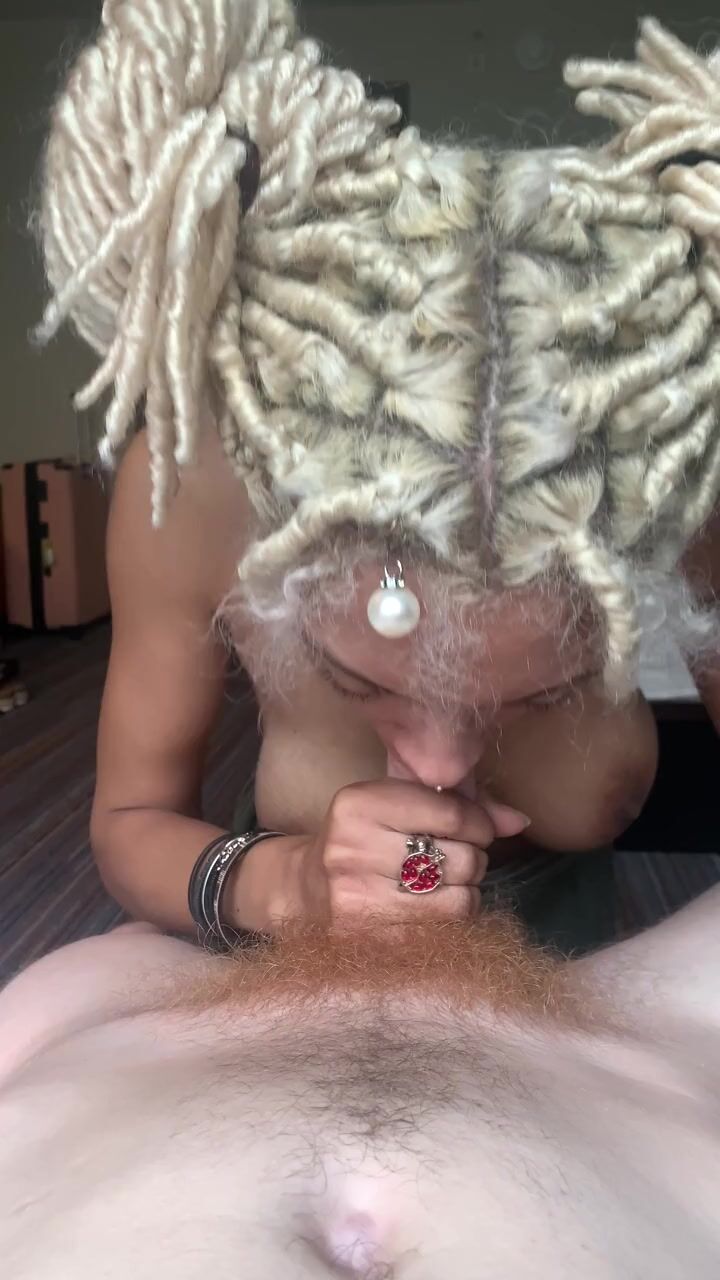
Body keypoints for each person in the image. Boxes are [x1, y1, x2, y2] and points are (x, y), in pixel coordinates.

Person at [35, 4, 720, 954]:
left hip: (586, 949)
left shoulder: (678, 474)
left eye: (544, 692)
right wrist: (288, 883)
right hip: (299, 939)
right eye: (360, 682)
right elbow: (129, 824)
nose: (440, 769)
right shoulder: (197, 488)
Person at [1, 888, 719, 1276]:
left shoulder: (117, 973)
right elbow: (131, 832)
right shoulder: (123, 972)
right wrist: (271, 870)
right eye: (354, 687)